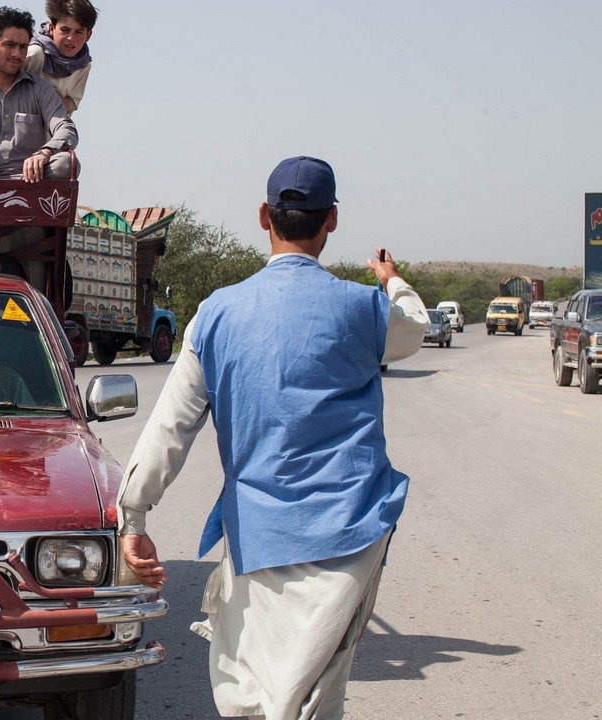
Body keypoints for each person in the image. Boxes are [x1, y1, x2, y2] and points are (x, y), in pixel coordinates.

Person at [116, 156, 429, 720]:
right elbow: (414, 327)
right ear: (330, 220)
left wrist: (133, 520)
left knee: (250, 691)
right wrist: (392, 280)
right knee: (314, 695)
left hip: (258, 536)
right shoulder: (364, 309)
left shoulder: (215, 315)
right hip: (351, 534)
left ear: (264, 216)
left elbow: (170, 427)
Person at [0, 6, 79, 195]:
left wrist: (44, 153)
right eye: (9, 45)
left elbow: (66, 129)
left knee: (66, 163)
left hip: (32, 182)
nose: (17, 54)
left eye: (23, 47)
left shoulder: (40, 89)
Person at [22, 0, 97, 116]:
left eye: (78, 32)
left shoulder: (83, 66)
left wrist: (50, 97)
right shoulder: (35, 54)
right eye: (65, 30)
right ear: (52, 27)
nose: (71, 38)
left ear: (88, 35)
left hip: (53, 130)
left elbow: (72, 104)